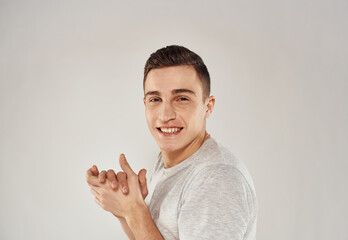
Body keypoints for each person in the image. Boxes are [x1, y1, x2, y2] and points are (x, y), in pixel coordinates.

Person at [86, 45, 258, 239]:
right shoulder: (172, 160)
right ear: (145, 104)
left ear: (207, 106)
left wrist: (134, 210)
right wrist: (126, 210)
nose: (165, 115)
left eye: (182, 98)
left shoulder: (216, 178)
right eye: (155, 99)